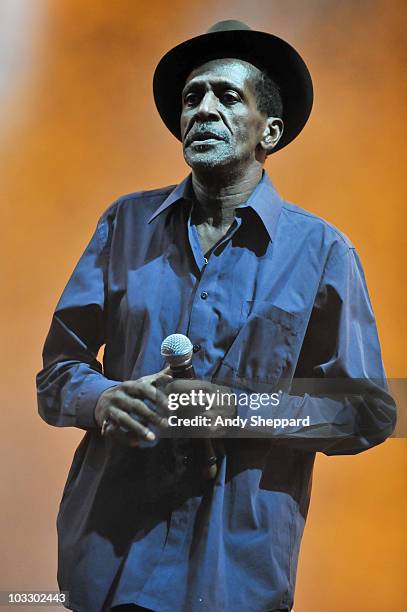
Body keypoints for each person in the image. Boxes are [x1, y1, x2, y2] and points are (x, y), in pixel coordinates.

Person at [36, 20, 396, 612]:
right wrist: (101, 399)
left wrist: (236, 409)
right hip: (106, 562)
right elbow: (57, 372)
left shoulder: (324, 251)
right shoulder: (124, 225)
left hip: (233, 576)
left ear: (269, 132)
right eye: (191, 98)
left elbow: (373, 410)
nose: (202, 109)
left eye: (228, 97)